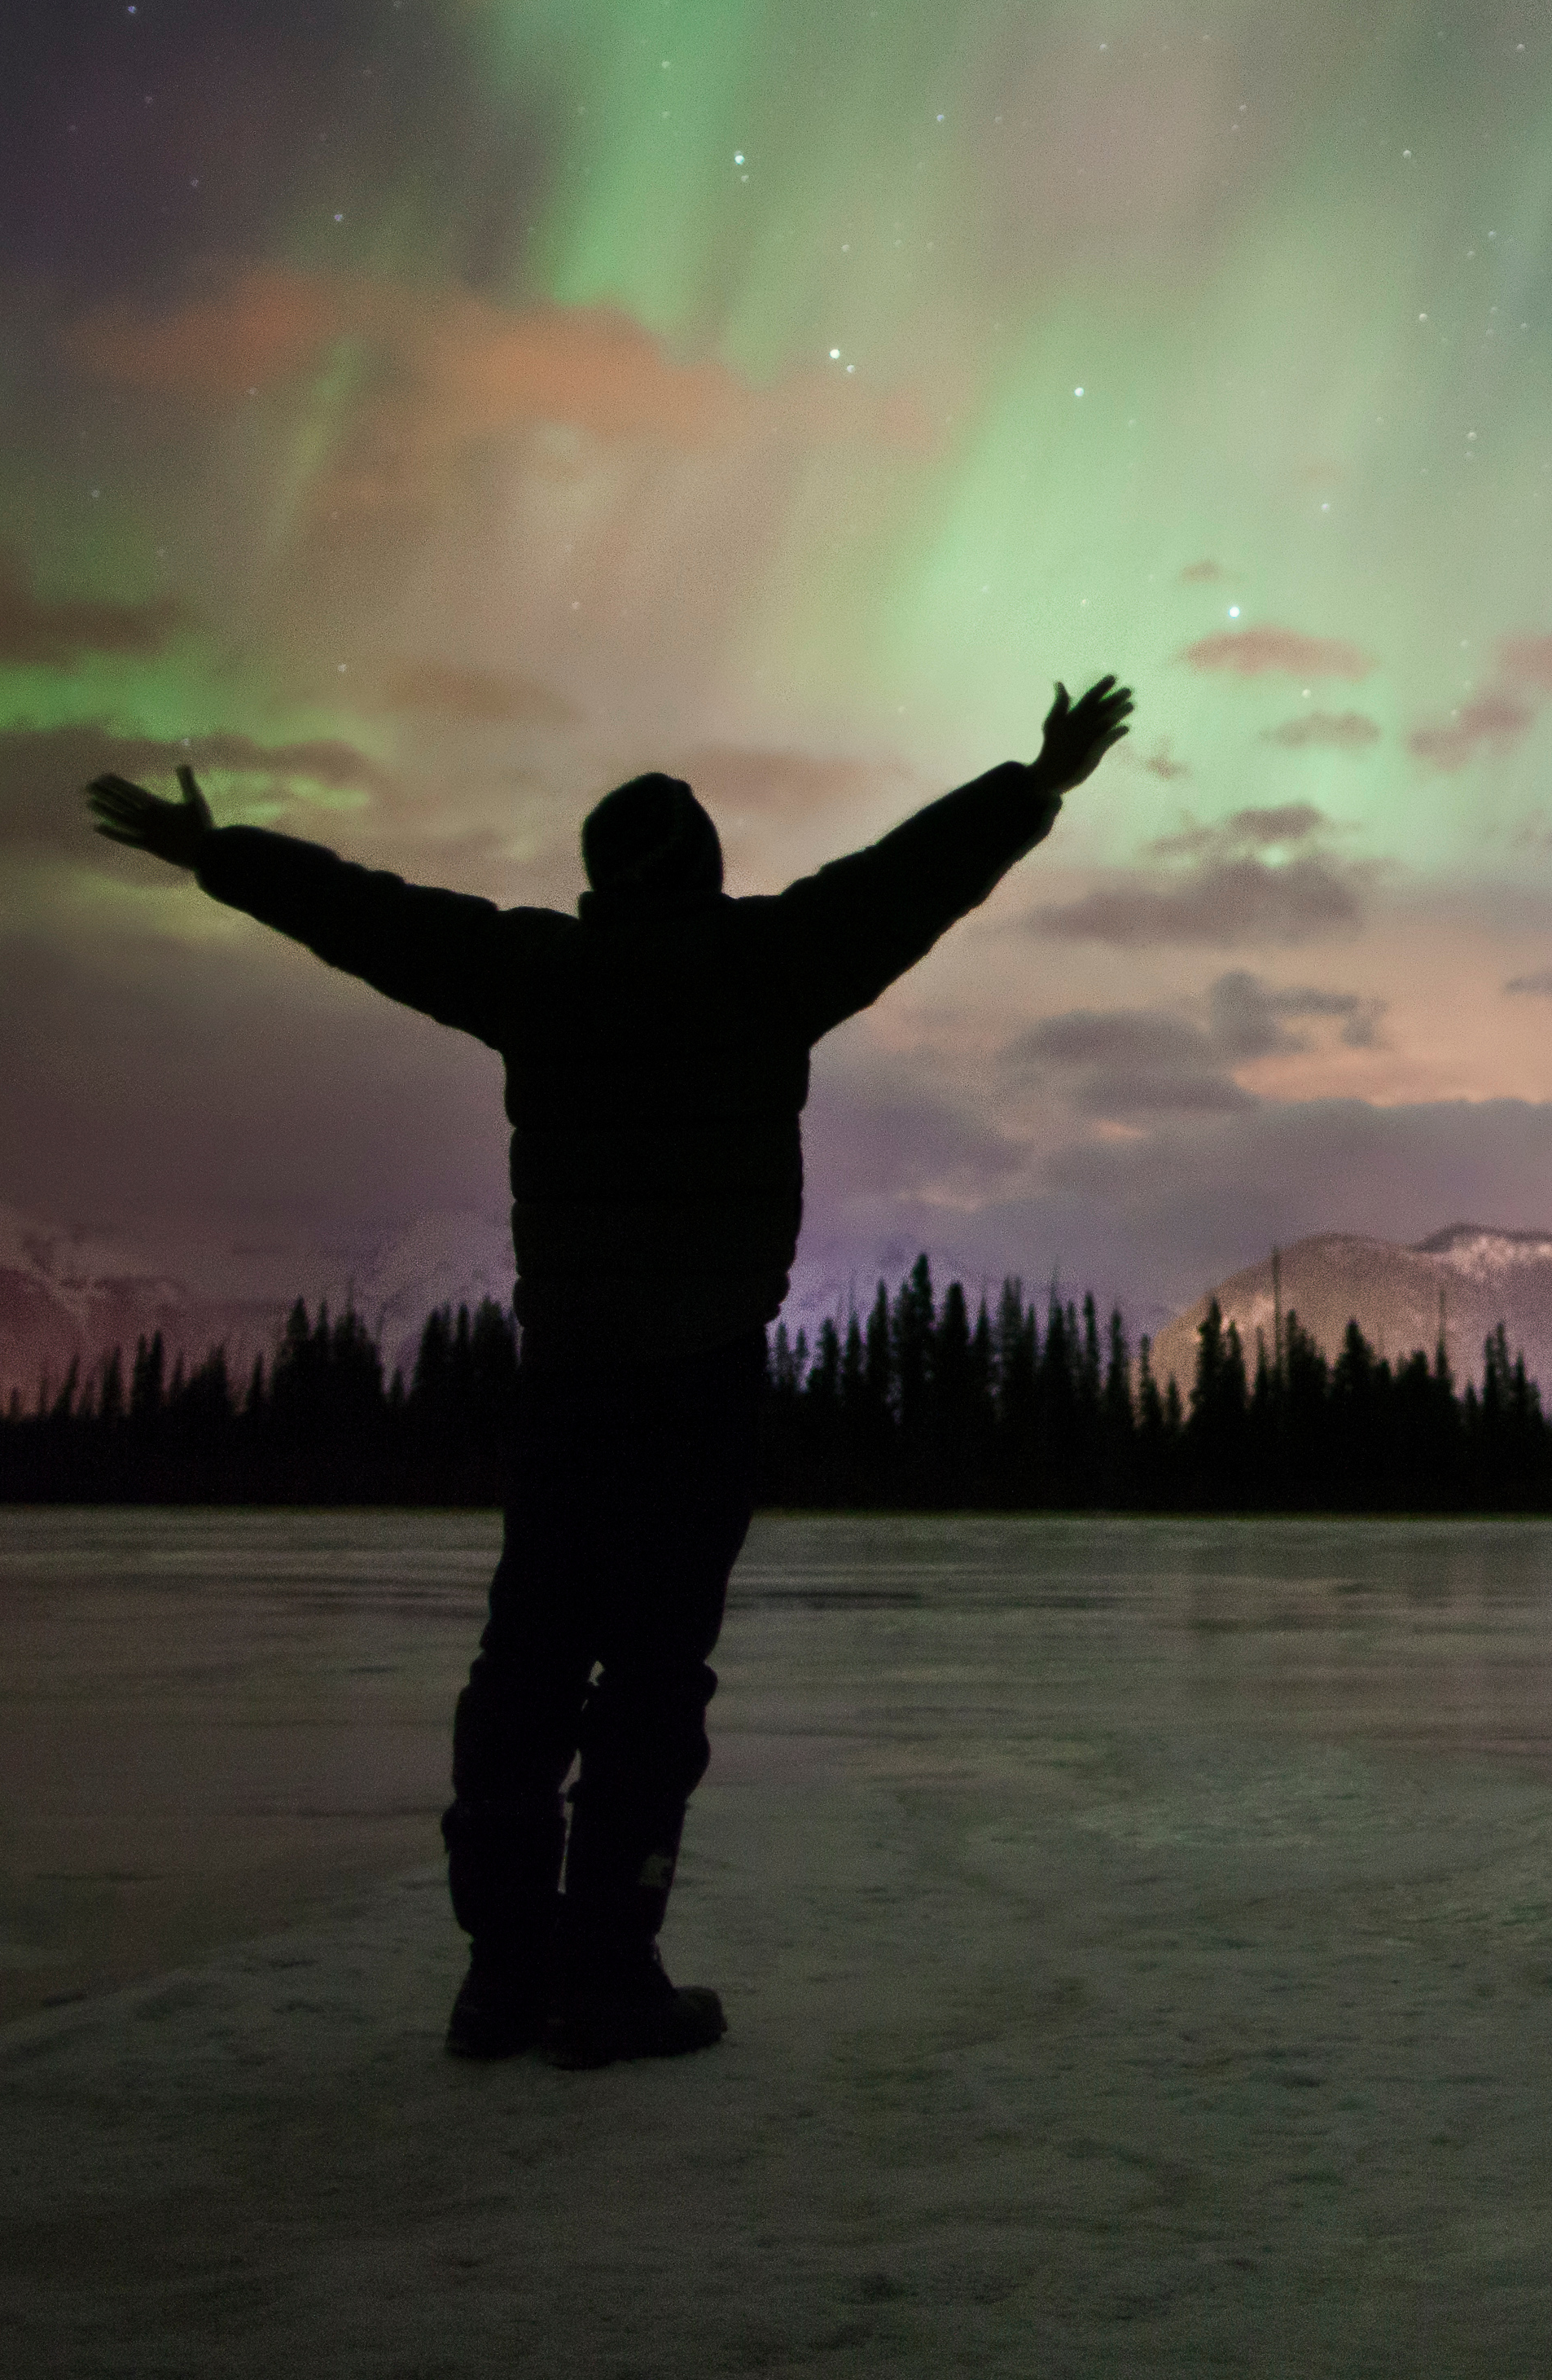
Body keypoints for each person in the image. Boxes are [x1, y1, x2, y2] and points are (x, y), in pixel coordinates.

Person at [85, 678, 1133, 2066]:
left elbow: (374, 915)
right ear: (698, 869)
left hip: (571, 1387)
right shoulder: (766, 962)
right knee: (650, 1677)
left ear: (599, 879)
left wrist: (222, 855)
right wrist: (1040, 780)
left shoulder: (544, 974)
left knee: (527, 1666)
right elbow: (910, 878)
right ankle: (610, 1976)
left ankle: (506, 1977)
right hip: (696, 1389)